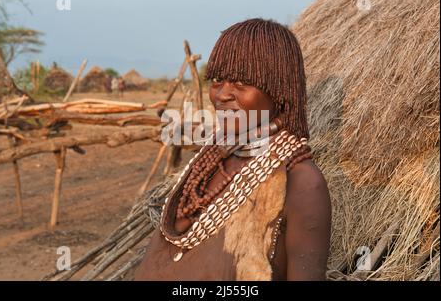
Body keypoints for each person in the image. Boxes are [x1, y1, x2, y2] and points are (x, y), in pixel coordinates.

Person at [134, 18, 331, 281]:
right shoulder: (209, 161)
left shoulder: (302, 182)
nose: (222, 95)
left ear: (279, 91)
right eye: (217, 80)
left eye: (241, 84)